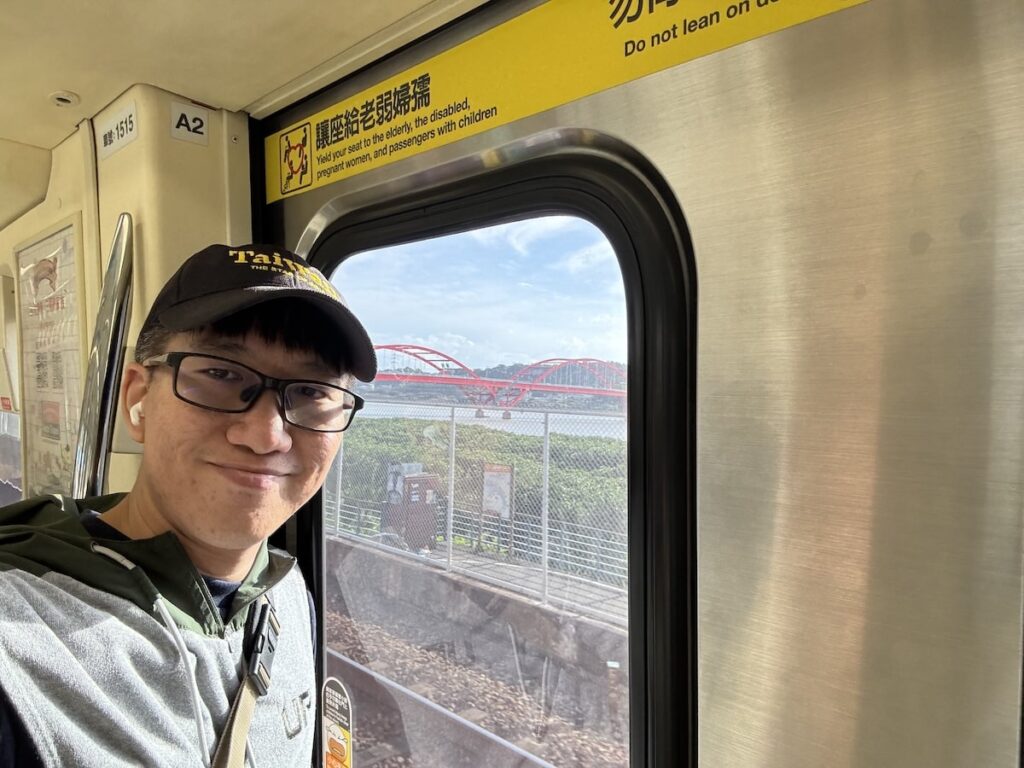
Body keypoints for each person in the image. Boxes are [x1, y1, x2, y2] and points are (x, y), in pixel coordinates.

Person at [0, 243, 376, 767]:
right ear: (138, 399)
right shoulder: (20, 639)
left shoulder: (287, 595)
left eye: (311, 392)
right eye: (221, 374)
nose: (266, 435)